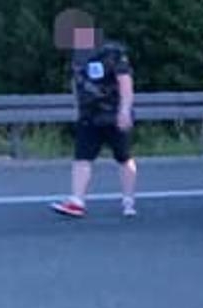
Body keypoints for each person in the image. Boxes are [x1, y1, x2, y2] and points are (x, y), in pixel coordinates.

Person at [50, 18, 137, 219]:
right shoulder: (78, 55)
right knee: (82, 157)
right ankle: (77, 201)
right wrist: (77, 108)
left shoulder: (113, 52)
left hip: (113, 115)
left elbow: (125, 82)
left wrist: (125, 110)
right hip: (89, 116)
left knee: (123, 157)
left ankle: (128, 201)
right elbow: (77, 82)